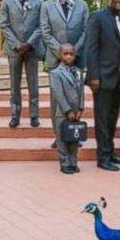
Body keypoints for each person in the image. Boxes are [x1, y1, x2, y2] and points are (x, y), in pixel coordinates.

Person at [41, 0, 89, 148]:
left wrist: (73, 53)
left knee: (76, 97)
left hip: (76, 59)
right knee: (57, 99)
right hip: (55, 60)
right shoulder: (46, 6)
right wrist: (61, 53)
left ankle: (74, 132)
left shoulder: (82, 5)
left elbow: (85, 30)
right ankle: (59, 135)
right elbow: (45, 32)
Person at [85, 0, 120, 171]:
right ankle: (102, 157)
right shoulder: (97, 17)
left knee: (112, 116)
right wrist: (93, 75)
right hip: (101, 77)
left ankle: (110, 151)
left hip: (118, 77)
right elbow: (91, 48)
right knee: (102, 118)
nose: (119, 0)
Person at [0, 0, 44, 128]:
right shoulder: (6, 2)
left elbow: (41, 26)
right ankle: (15, 114)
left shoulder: (39, 2)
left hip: (32, 49)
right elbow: (4, 25)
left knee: (33, 84)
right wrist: (17, 45)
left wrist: (29, 44)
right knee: (14, 84)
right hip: (14, 49)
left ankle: (34, 115)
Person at [49, 44, 84, 174]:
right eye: (65, 54)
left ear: (75, 56)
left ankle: (73, 162)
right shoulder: (55, 73)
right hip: (62, 112)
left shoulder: (79, 71)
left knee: (75, 138)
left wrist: (80, 108)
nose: (69, 56)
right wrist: (67, 110)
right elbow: (58, 93)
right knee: (62, 139)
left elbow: (81, 92)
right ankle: (64, 163)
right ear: (59, 55)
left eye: (71, 54)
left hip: (76, 112)